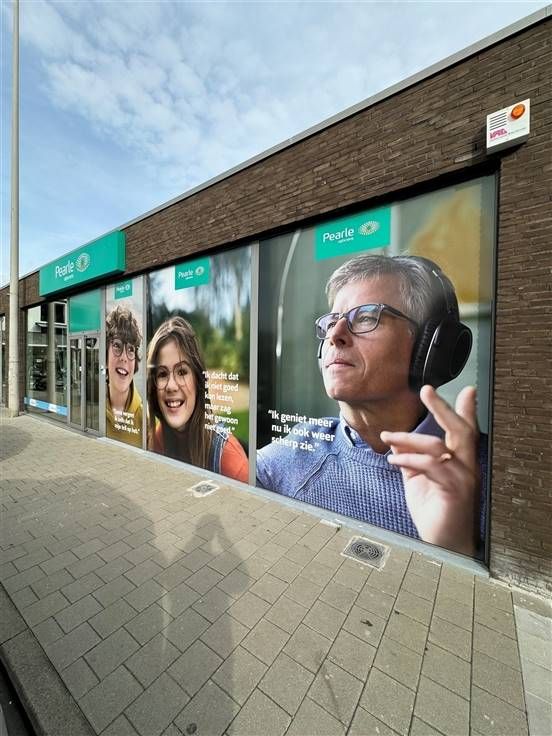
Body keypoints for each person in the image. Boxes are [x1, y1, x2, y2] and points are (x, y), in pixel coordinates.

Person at [256, 254, 487, 557]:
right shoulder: (287, 458)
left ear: (430, 347)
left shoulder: (491, 478)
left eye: (366, 317)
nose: (334, 336)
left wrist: (456, 548)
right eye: (332, 322)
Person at [147, 316, 248, 482]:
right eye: (162, 374)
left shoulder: (231, 462)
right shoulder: (159, 438)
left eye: (182, 372)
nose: (171, 386)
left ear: (198, 380)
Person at [106, 306, 143, 448]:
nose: (124, 357)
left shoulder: (147, 421)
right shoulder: (94, 408)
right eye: (117, 345)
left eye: (131, 349)